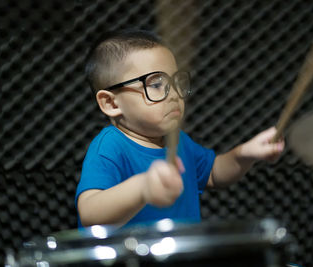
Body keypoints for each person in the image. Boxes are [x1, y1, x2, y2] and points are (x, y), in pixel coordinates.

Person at [75, 29, 285, 228]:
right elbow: (90, 213)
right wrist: (143, 187)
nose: (175, 94)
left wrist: (243, 155)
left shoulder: (178, 140)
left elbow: (213, 174)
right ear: (111, 104)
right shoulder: (110, 146)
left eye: (176, 82)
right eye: (156, 85)